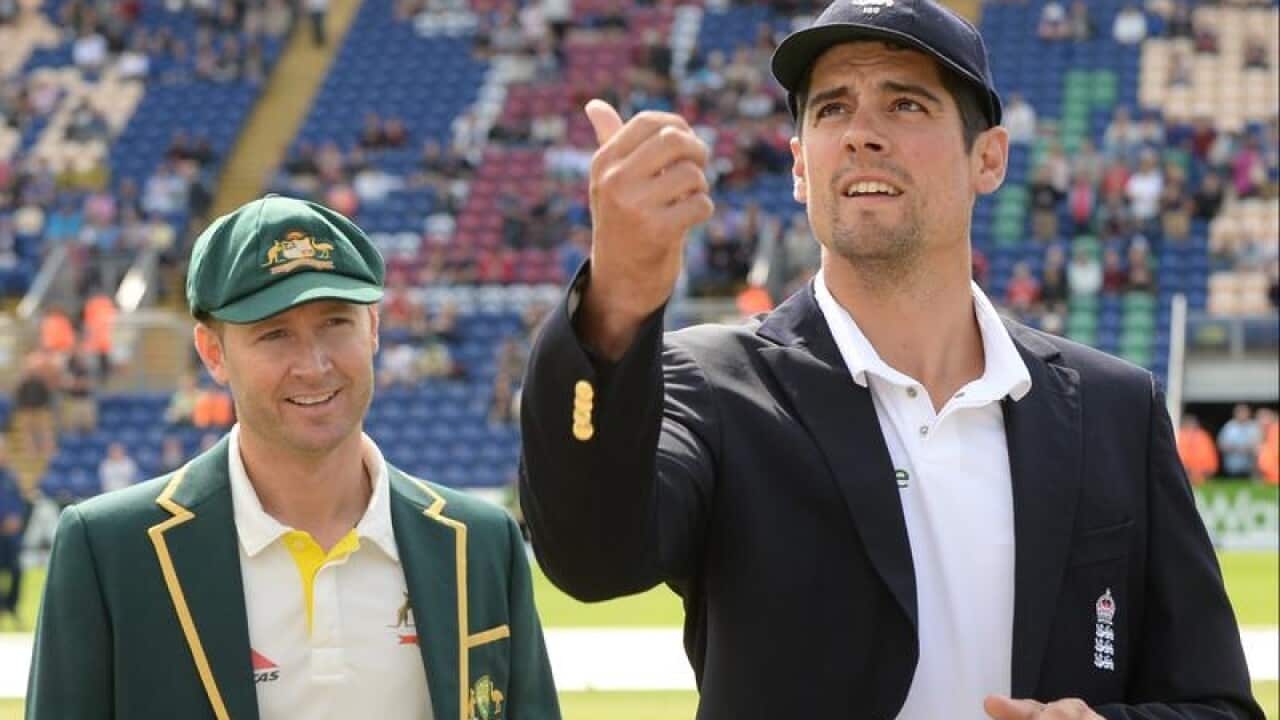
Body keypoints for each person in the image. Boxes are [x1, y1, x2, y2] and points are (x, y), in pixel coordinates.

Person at [518, 1, 1261, 718]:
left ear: (989, 158)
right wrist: (616, 302)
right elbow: (590, 558)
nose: (860, 134)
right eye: (831, 108)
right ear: (801, 166)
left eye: (905, 105)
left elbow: (1215, 703)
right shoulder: (712, 384)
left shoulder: (1114, 409)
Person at [28, 195, 560, 719]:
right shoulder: (110, 552)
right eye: (274, 333)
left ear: (373, 327)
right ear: (213, 353)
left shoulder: (482, 542)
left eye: (335, 323)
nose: (313, 364)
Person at [0, 440, 27, 630]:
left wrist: (17, 519)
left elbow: (20, 502)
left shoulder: (11, 477)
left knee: (16, 570)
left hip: (11, 536)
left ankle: (11, 605)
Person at [1218, 403, 1262, 479]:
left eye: (1244, 412)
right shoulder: (1229, 426)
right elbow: (1221, 445)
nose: (1242, 414)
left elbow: (1260, 446)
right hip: (1232, 467)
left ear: (1249, 413)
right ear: (1235, 413)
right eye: (1239, 412)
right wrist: (1235, 448)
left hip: (1250, 468)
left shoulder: (1254, 427)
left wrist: (1248, 448)